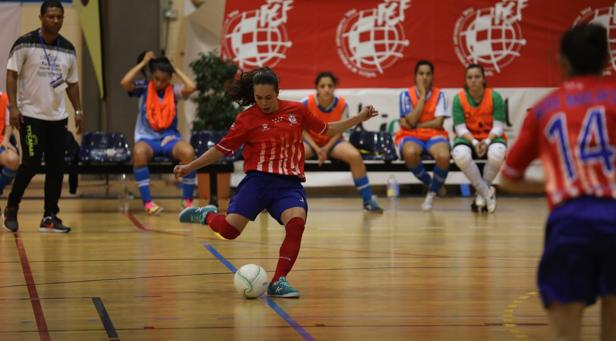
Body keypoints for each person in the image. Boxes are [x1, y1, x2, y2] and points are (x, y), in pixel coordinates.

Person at [175, 67, 379, 298]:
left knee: (296, 223)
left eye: (268, 97)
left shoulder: (297, 111)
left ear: (278, 92)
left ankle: (278, 281)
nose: (263, 103)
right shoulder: (246, 119)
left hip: (287, 185)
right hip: (257, 182)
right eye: (259, 98)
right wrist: (189, 166)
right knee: (229, 231)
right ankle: (206, 215)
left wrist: (359, 118)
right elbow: (220, 150)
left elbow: (328, 129)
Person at [500, 23, 616, 341]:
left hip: (570, 221)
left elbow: (508, 178)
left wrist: (550, 186)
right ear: (607, 60)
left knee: (566, 332)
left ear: (562, 60)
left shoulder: (546, 108)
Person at [4, 0, 84, 233]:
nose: (56, 20)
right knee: (30, 163)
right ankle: (11, 207)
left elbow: (72, 83)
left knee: (57, 167)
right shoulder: (24, 43)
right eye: (51, 16)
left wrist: (78, 109)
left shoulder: (68, 48)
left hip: (57, 118)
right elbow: (11, 75)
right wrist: (14, 108)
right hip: (30, 116)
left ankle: (50, 216)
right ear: (41, 18)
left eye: (60, 17)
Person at [120, 51, 197, 215]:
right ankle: (148, 203)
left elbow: (192, 87)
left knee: (189, 152)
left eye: (164, 80)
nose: (159, 83)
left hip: (170, 139)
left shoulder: (174, 90)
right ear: (151, 76)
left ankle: (187, 202)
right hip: (147, 139)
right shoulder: (143, 88)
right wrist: (143, 63)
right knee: (138, 152)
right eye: (156, 79)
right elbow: (125, 82)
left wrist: (175, 68)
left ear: (169, 79)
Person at [302, 71, 382, 213]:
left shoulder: (342, 104)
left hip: (333, 142)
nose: (326, 89)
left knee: (355, 156)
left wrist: (326, 148)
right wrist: (317, 148)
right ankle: (277, 198)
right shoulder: (305, 103)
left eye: (330, 85)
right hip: (311, 142)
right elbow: (302, 130)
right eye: (322, 86)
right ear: (317, 88)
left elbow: (339, 130)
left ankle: (368, 200)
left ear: (334, 87)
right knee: (293, 156)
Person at [396, 60, 450, 211]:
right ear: (415, 76)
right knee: (409, 152)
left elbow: (438, 122)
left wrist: (417, 125)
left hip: (434, 134)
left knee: (444, 157)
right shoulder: (405, 94)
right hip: (411, 135)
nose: (424, 77)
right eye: (421, 74)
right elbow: (408, 122)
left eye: (428, 74)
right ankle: (432, 184)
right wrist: (422, 98)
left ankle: (431, 193)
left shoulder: (441, 95)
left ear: (432, 76)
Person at [451, 64, 504, 213]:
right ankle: (486, 193)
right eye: (469, 77)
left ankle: (481, 194)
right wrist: (474, 142)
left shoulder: (495, 97)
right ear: (465, 80)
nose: (473, 80)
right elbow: (460, 129)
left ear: (483, 79)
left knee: (498, 153)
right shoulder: (459, 99)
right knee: (460, 155)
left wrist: (486, 141)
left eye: (477, 77)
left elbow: (499, 127)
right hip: (468, 139)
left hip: (490, 137)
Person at [0, 92, 19, 210]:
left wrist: (6, 139)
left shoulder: (4, 98)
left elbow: (8, 124)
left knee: (13, 160)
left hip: (0, 142)